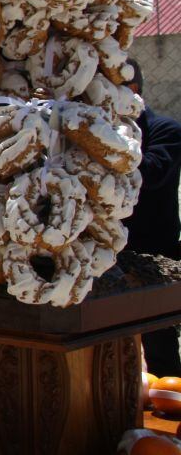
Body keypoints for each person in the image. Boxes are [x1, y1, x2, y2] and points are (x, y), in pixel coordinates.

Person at [122, 59, 181, 376]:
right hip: (115, 256)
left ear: (133, 91)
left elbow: (151, 174)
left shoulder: (166, 131)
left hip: (154, 255)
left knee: (160, 347)